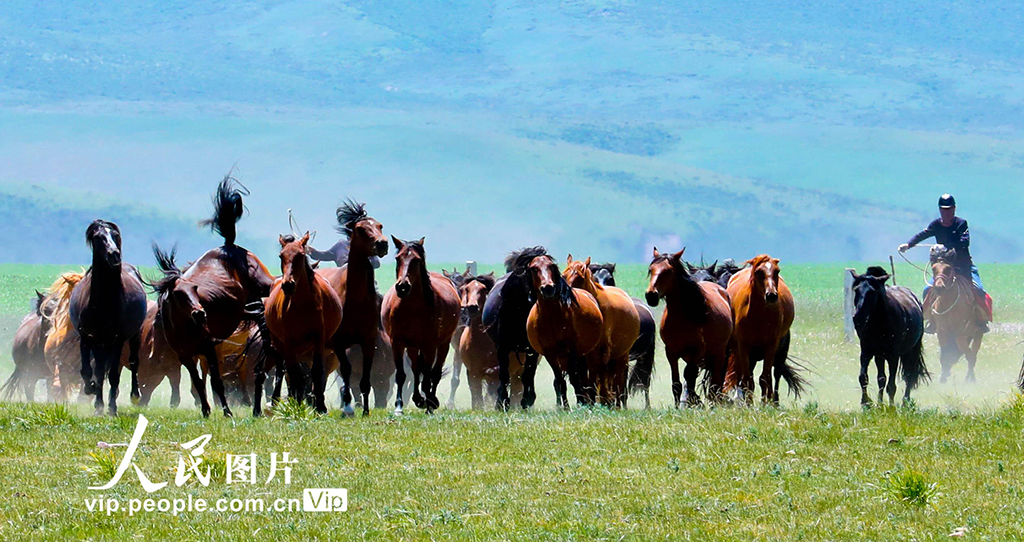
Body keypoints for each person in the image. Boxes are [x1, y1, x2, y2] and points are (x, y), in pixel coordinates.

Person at [898, 193, 989, 333]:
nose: (947, 212)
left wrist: (947, 245)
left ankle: (981, 320)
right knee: (927, 290)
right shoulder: (936, 224)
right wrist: (908, 244)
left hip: (964, 266)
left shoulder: (961, 224)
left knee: (978, 290)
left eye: (949, 209)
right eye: (944, 209)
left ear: (954, 209)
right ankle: (931, 321)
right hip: (943, 268)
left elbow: (965, 241)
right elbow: (923, 234)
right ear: (940, 210)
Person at [307, 238, 380, 269]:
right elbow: (322, 256)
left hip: (364, 282)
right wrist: (310, 251)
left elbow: (376, 263)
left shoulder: (366, 246)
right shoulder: (341, 245)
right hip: (342, 282)